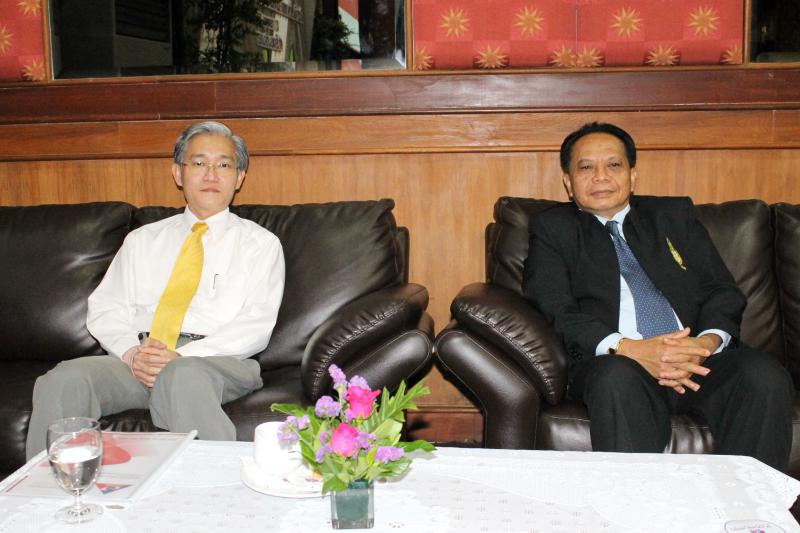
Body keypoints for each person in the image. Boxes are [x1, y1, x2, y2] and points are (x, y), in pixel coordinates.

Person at [522, 122, 793, 471]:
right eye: (586, 167)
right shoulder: (552, 229)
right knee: (615, 379)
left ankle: (748, 502)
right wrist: (630, 348)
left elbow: (721, 290)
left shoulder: (672, 216)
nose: (601, 176)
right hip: (618, 361)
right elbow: (554, 307)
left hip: (695, 359)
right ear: (568, 181)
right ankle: (638, 503)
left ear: (633, 176)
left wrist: (704, 345)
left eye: (614, 165)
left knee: (763, 375)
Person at [26, 121, 285, 458]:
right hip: (139, 360)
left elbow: (256, 324)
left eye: (223, 165)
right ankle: (51, 486)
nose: (211, 174)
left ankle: (217, 486)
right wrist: (133, 355)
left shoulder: (261, 244)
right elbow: (106, 308)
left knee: (181, 375)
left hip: (215, 362)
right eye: (199, 163)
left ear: (239, 177)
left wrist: (181, 357)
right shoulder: (142, 240)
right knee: (63, 380)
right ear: (178, 173)